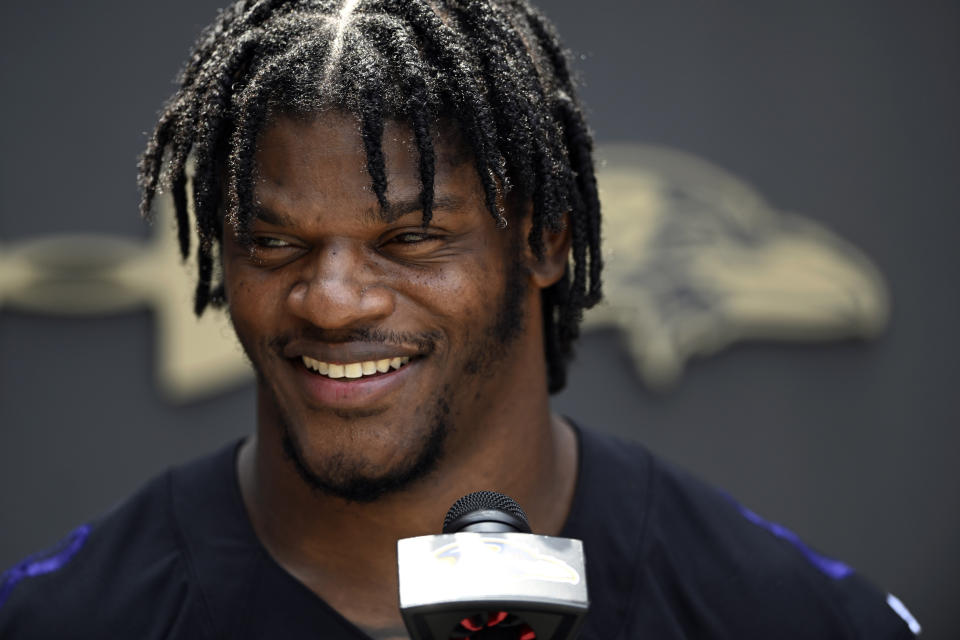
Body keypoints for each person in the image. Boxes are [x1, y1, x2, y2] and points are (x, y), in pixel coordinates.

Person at [0, 1, 919, 638]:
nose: (333, 299)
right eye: (274, 244)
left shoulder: (788, 618)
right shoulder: (60, 620)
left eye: (408, 239)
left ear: (545, 239)